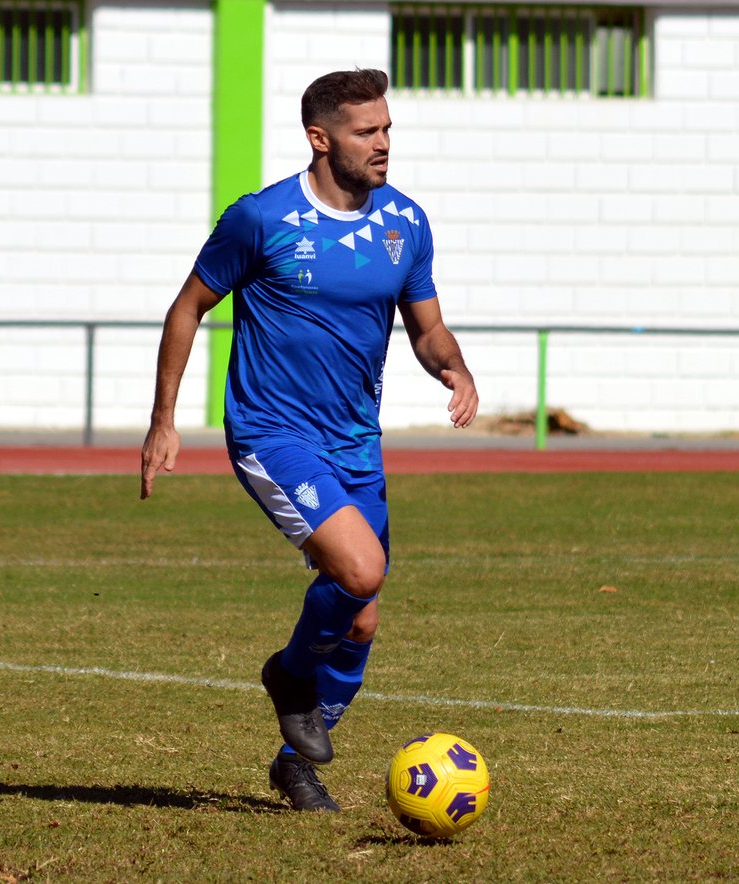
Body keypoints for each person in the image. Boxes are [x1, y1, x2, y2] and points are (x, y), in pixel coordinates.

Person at [139, 68, 478, 812]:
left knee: (362, 613)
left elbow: (426, 328)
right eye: (368, 131)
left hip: (355, 441)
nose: (384, 143)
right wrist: (165, 420)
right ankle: (290, 676)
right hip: (273, 430)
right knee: (360, 569)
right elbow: (187, 308)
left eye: (388, 128)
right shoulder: (261, 220)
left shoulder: (406, 223)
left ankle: (295, 760)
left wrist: (452, 366)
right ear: (320, 139)